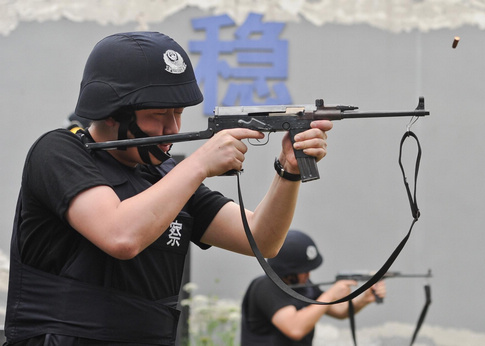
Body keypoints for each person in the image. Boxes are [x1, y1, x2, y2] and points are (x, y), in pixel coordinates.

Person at [3, 31, 332, 346]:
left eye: (178, 113)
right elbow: (120, 235)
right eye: (159, 114)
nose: (172, 128)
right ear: (112, 111)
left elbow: (262, 239)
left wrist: (288, 171)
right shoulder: (58, 152)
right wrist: (200, 164)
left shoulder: (166, 175)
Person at [241, 230, 386, 345]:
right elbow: (294, 328)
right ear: (288, 271)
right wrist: (331, 295)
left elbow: (339, 311)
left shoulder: (303, 286)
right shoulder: (265, 287)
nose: (308, 274)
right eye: (303, 270)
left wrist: (364, 299)